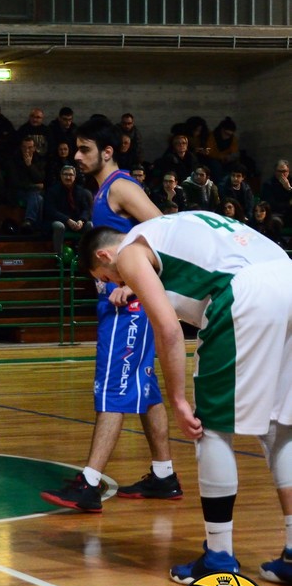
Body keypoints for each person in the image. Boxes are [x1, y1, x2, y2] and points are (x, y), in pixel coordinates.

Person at [82, 213, 292, 585]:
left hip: (244, 294)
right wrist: (137, 287)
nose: (114, 283)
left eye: (106, 279)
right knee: (281, 426)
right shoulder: (166, 227)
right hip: (285, 274)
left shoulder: (128, 253)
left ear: (104, 257)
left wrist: (178, 399)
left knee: (208, 427)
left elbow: (168, 330)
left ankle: (219, 556)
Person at [41, 119, 181, 513]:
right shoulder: (102, 191)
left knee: (111, 391)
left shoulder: (121, 186)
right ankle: (164, 474)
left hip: (128, 306)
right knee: (144, 389)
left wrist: (136, 286)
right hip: (120, 302)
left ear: (107, 152)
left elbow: (166, 235)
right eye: (76, 148)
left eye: (85, 149)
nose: (77, 155)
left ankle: (89, 483)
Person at [44, 164, 93, 255]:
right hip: (60, 221)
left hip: (76, 222)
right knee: (59, 226)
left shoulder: (81, 191)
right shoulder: (53, 191)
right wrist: (67, 220)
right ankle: (58, 256)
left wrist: (81, 220)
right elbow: (50, 211)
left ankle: (86, 255)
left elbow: (86, 209)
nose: (68, 177)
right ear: (61, 176)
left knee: (89, 224)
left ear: (74, 176)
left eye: (70, 175)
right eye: (65, 174)